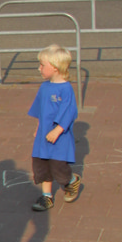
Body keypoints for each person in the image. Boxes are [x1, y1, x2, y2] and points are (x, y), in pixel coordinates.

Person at [29, 44, 81, 211]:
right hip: (43, 136)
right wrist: (38, 127)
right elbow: (41, 110)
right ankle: (47, 196)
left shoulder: (66, 89)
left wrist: (58, 130)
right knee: (42, 166)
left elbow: (69, 112)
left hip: (59, 137)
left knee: (58, 167)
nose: (39, 68)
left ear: (55, 67)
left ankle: (71, 180)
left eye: (42, 65)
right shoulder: (44, 87)